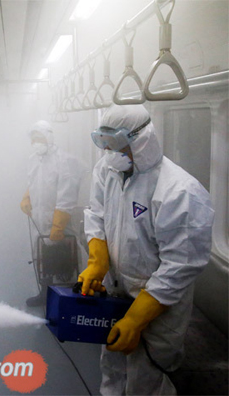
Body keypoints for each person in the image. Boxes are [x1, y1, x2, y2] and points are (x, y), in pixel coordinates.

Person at [79, 104, 214, 395]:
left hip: (158, 305)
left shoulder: (179, 191)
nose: (110, 153)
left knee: (147, 379)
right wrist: (97, 261)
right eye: (105, 144)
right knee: (112, 365)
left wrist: (137, 318)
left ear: (141, 141)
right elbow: (96, 214)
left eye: (116, 145)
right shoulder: (108, 170)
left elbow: (180, 266)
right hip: (116, 292)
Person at [21, 120, 85, 306]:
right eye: (33, 139)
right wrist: (27, 197)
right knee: (42, 256)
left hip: (60, 220)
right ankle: (45, 293)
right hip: (39, 219)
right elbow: (33, 183)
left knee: (67, 258)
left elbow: (67, 193)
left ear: (49, 138)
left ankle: (72, 296)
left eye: (39, 138)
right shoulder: (33, 159)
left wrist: (58, 224)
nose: (36, 142)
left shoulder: (64, 161)